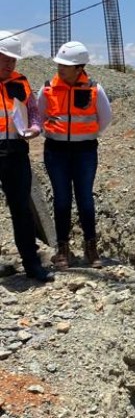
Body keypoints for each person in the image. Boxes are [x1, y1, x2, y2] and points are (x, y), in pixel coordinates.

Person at [38, 41, 112, 269]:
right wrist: (53, 134)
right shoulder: (48, 88)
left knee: (85, 198)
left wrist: (87, 135)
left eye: (65, 65)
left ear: (79, 68)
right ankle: (63, 249)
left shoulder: (94, 89)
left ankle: (91, 248)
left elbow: (106, 117)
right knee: (61, 199)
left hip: (85, 152)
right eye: (59, 64)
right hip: (56, 151)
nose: (60, 68)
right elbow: (38, 117)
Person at [0, 31, 54, 283]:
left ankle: (32, 265)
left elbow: (34, 114)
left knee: (21, 210)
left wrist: (34, 129)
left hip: (15, 151)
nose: (9, 64)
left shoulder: (20, 82)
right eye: (4, 59)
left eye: (12, 60)